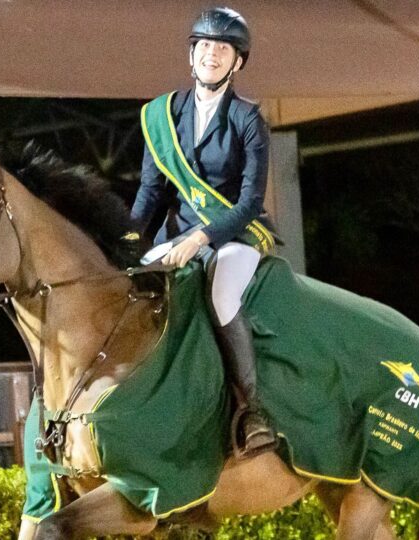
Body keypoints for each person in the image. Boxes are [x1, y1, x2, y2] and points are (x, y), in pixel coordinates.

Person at [131, 7, 278, 458]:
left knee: (222, 293)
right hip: (176, 234)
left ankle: (252, 410)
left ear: (237, 62)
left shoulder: (248, 120)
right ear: (191, 54)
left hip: (235, 235)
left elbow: (250, 202)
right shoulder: (163, 115)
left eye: (223, 49)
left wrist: (200, 239)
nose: (212, 54)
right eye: (205, 46)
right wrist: (127, 241)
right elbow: (151, 192)